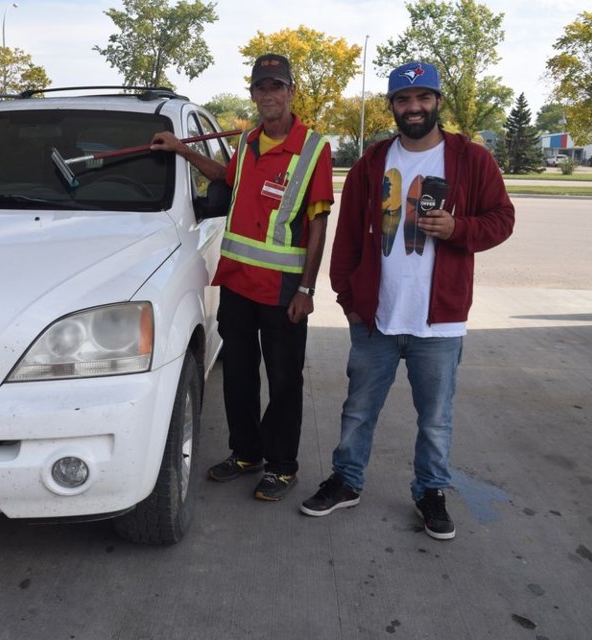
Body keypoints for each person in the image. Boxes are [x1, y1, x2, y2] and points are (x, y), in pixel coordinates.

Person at [299, 61, 515, 539]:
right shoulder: (372, 163)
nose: (413, 107)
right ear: (392, 106)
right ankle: (347, 480)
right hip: (376, 317)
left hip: (438, 323)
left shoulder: (471, 160)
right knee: (358, 410)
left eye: (422, 98)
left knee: (436, 419)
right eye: (403, 100)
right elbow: (348, 237)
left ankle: (430, 492)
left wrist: (460, 229)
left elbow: (502, 219)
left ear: (437, 102)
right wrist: (348, 299)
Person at [151, 53, 334, 501]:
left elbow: (317, 223)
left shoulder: (313, 149)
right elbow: (225, 178)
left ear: (291, 92)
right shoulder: (249, 141)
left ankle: (282, 465)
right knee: (237, 375)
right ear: (253, 93)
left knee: (285, 380)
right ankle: (246, 453)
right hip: (236, 283)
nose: (268, 95)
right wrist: (182, 150)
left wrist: (307, 289)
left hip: (283, 290)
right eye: (261, 87)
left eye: (277, 87)